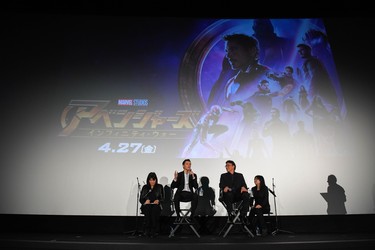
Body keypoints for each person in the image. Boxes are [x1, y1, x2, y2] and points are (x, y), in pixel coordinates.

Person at [139, 172, 164, 237]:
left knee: (154, 210)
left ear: (156, 180)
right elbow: (141, 199)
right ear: (148, 180)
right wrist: (145, 202)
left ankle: (154, 230)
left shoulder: (159, 187)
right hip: (147, 205)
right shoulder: (145, 187)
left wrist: (158, 201)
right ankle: (147, 230)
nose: (152, 182)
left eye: (153, 180)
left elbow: (163, 198)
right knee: (148, 209)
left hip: (156, 205)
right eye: (150, 180)